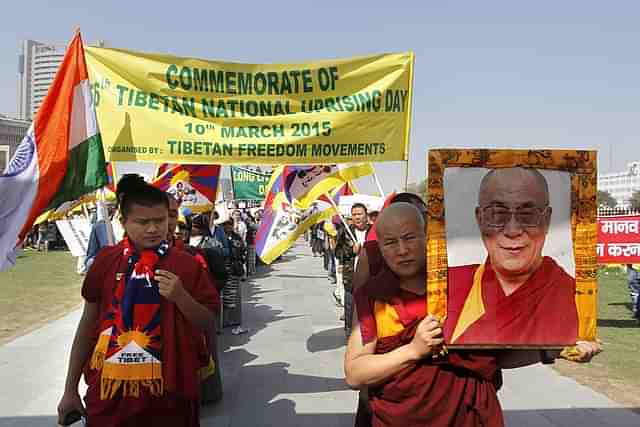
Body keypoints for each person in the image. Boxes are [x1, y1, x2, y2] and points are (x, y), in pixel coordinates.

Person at [345, 203, 601, 427]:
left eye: (410, 237)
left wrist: (556, 349)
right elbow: (355, 373)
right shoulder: (375, 297)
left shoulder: (469, 285)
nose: (402, 250)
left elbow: (494, 355)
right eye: (390, 242)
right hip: (401, 419)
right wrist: (413, 350)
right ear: (380, 247)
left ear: (428, 237)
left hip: (468, 416)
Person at [57, 174, 219, 427]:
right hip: (110, 394)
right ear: (123, 222)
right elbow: (88, 326)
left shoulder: (186, 263)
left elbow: (209, 322)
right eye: (142, 222)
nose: (153, 229)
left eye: (160, 220)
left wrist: (181, 297)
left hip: (169, 397)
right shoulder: (107, 261)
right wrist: (70, 389)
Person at [445, 167, 578, 346]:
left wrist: (571, 348)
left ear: (546, 221)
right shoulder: (448, 284)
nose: (513, 231)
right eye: (498, 214)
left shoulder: (573, 296)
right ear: (480, 219)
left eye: (527, 215)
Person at [335, 203, 370, 338]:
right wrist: (351, 251)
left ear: (366, 215)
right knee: (350, 306)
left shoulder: (373, 231)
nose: (357, 217)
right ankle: (350, 333)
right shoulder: (345, 232)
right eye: (354, 214)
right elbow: (338, 252)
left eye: (360, 214)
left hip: (369, 276)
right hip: (351, 276)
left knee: (368, 308)